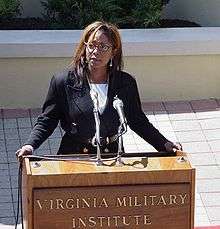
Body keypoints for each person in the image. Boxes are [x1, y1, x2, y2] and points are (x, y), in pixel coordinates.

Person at [16, 21, 181, 161]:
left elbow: (137, 120)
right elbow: (47, 120)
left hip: (112, 156)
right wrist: (30, 145)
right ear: (84, 47)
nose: (96, 52)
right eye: (92, 45)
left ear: (113, 51)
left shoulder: (125, 83)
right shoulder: (63, 81)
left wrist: (164, 143)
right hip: (74, 156)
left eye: (103, 47)